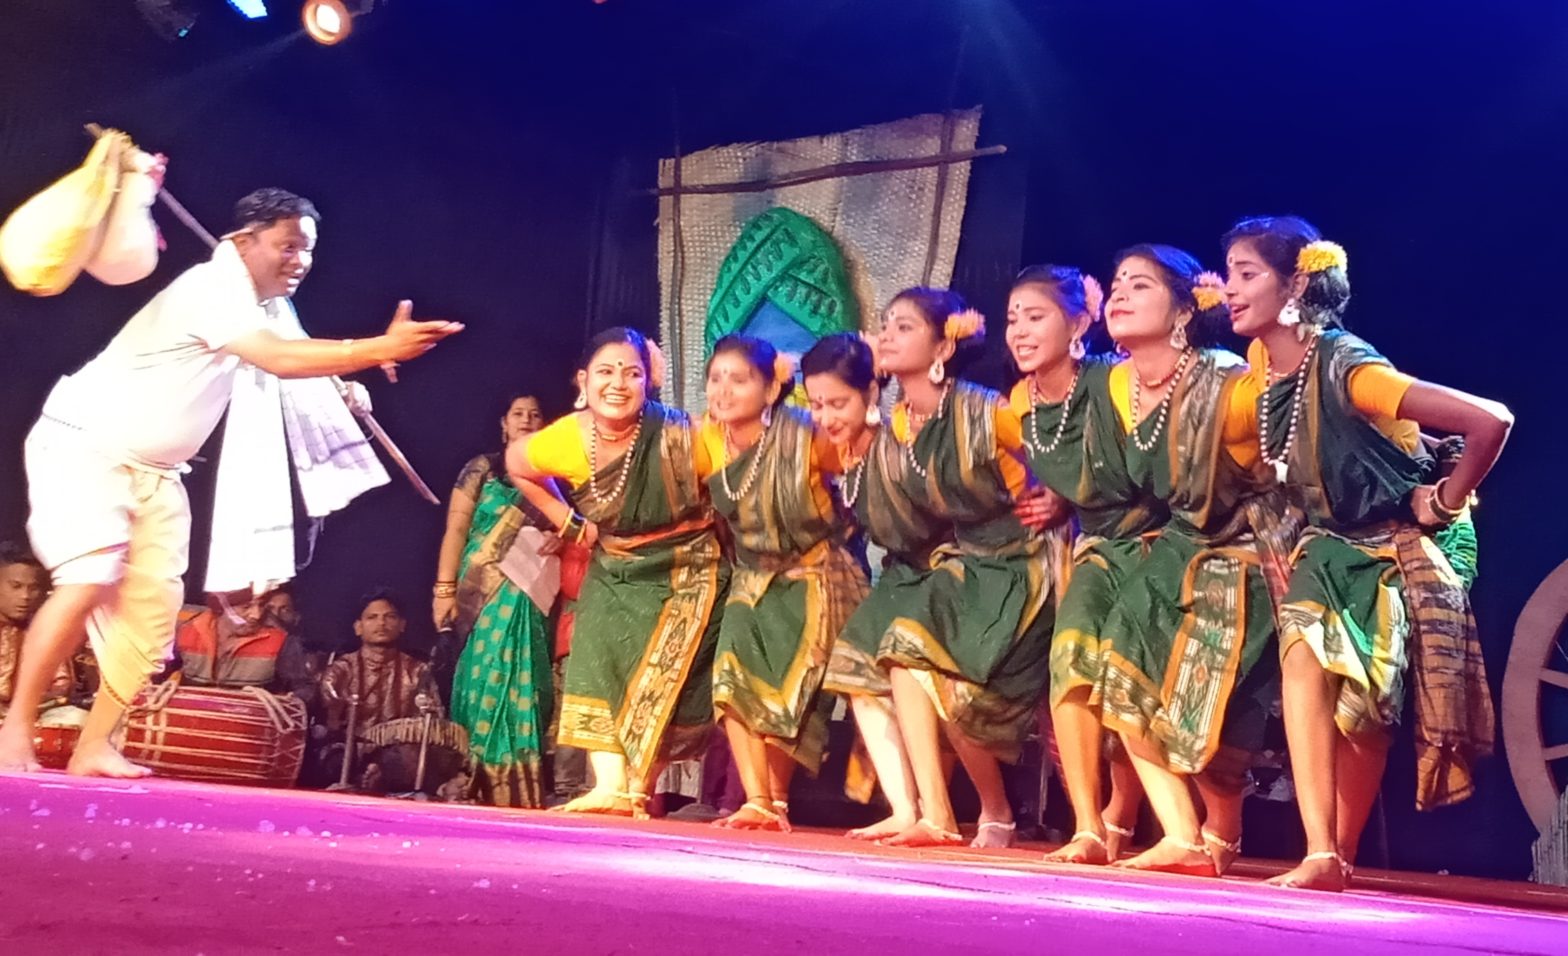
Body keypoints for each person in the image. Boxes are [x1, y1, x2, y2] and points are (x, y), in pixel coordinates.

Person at [0, 187, 460, 777]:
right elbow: (279, 359)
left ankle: (94, 746)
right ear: (243, 242)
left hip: (156, 473)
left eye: (308, 249)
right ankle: (15, 733)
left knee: (151, 618)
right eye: (287, 246)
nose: (300, 260)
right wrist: (374, 349)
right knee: (88, 579)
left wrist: (339, 381)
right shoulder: (211, 288)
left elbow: (290, 358)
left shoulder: (259, 308)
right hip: (87, 450)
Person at [1222, 216, 1511, 890]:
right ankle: (1319, 849)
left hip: (1392, 548)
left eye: (1246, 274)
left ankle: (1340, 855)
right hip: (1328, 543)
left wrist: (1442, 501)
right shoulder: (1264, 363)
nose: (1229, 290)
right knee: (1301, 657)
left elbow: (1490, 420)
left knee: (1366, 711)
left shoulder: (1349, 366)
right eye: (1229, 273)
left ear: (1296, 285)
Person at [836, 289, 1062, 850]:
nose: (887, 335)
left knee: (942, 675)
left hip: (1021, 565)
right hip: (963, 565)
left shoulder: (986, 411)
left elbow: (1057, 457)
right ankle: (930, 813)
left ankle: (994, 810)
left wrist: (1061, 498)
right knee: (897, 648)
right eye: (885, 325)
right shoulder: (898, 425)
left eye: (904, 326)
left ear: (942, 347)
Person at [1095, 245, 1287, 877]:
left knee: (1213, 706)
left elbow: (1297, 453)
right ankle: (1181, 832)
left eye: (1140, 284)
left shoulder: (1228, 386)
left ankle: (1222, 829)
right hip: (1178, 545)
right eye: (1117, 282)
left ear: (1183, 312)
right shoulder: (1119, 383)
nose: (1119, 293)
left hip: (1248, 550)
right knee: (1119, 659)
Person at [506, 327, 729, 818]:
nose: (618, 384)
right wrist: (567, 521)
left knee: (663, 678)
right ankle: (609, 786)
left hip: (687, 568)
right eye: (605, 372)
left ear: (648, 382)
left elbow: (734, 478)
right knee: (595, 663)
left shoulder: (681, 434)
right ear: (583, 381)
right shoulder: (569, 436)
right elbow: (516, 462)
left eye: (632, 374)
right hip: (614, 566)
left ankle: (636, 788)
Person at [1004, 266, 1155, 864]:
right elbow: (1068, 465)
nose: (1019, 330)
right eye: (1013, 319)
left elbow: (1154, 461)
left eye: (1035, 317)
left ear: (1078, 325)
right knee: (1070, 659)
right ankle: (1087, 825)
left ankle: (1124, 811)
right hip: (1096, 547)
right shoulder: (1022, 400)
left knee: (1127, 674)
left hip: (1156, 543)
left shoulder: (1115, 381)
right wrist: (1061, 498)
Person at [697, 335, 871, 831]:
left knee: (788, 693)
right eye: (716, 378)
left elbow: (864, 461)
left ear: (771, 390)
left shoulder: (805, 436)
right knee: (729, 675)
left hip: (813, 577)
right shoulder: (704, 440)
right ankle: (758, 798)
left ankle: (774, 800)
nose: (723, 390)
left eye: (739, 379)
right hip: (751, 579)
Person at [804, 333, 922, 840]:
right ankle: (905, 807)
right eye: (816, 405)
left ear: (870, 394)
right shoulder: (840, 450)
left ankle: (945, 809)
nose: (826, 417)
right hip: (899, 575)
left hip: (940, 570)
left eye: (838, 403)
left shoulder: (899, 441)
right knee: (855, 668)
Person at [434, 393, 559, 808]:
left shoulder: (554, 480)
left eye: (535, 414)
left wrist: (561, 540)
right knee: (484, 674)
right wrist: (444, 589)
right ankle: (474, 779)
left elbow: (572, 530)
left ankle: (522, 786)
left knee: (524, 679)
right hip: (480, 594)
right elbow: (456, 530)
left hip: (529, 597)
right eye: (518, 413)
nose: (526, 419)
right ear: (504, 424)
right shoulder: (482, 469)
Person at [174, 590, 289, 688]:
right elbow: (163, 672)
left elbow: (296, 694)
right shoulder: (187, 632)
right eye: (246, 607)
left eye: (261, 606)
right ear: (221, 607)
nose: (256, 615)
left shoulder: (281, 641)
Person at [0, 542, 64, 707]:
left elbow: (61, 685)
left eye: (33, 588)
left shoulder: (45, 629)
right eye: (16, 586)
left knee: (75, 717)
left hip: (34, 711)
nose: (25, 596)